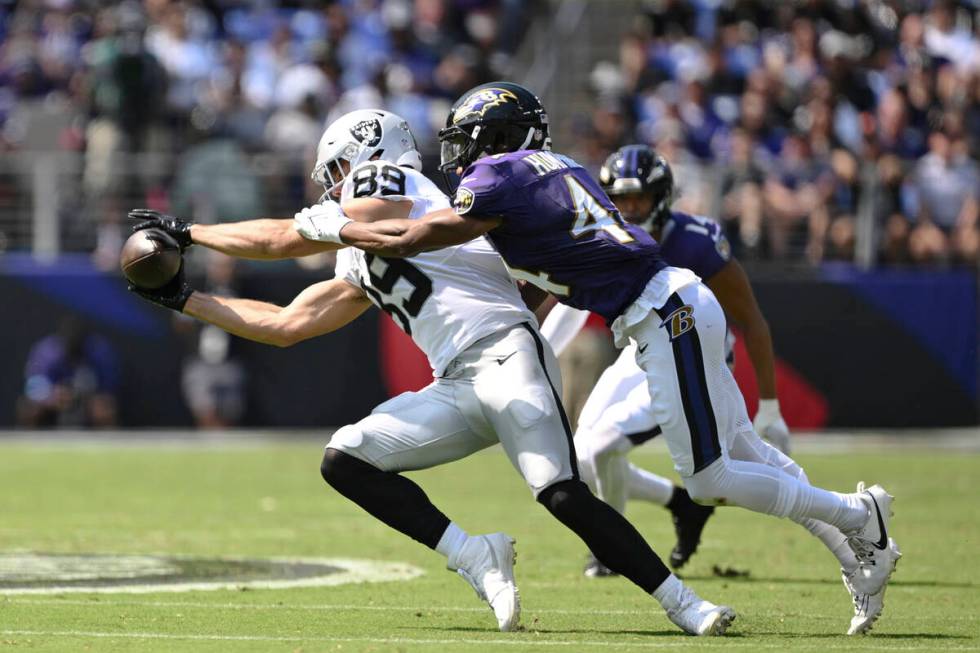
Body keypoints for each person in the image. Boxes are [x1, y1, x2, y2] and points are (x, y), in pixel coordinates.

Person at [301, 82, 901, 635]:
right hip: (667, 307)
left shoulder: (501, 176)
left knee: (710, 478)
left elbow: (411, 238)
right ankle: (855, 550)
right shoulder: (549, 170)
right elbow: (545, 279)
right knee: (743, 450)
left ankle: (856, 512)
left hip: (662, 312)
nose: (459, 157)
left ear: (500, 137)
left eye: (468, 141)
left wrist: (331, 226)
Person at [127, 109, 735, 636]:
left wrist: (191, 232)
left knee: (563, 494)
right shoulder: (359, 247)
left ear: (363, 156)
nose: (333, 187)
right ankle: (474, 555)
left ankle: (685, 604)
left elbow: (288, 238)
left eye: (335, 172)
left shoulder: (389, 185)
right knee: (346, 458)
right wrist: (185, 299)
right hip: (456, 383)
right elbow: (288, 323)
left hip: (506, 353)